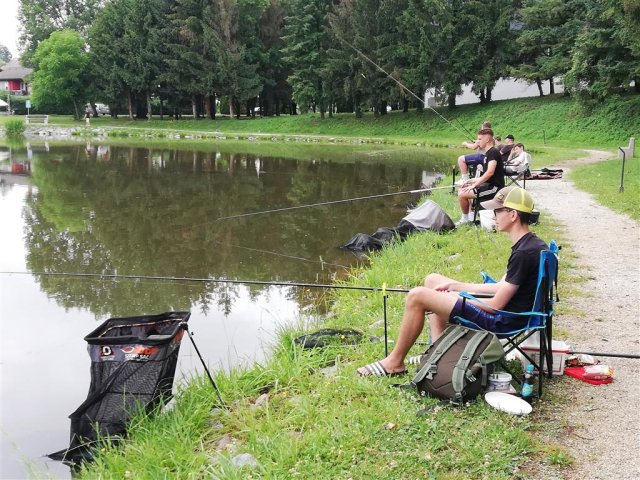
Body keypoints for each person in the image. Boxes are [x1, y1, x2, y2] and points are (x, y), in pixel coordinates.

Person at [357, 186, 547, 377]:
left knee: (417, 296)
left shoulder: (523, 253)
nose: (493, 215)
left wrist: (460, 298)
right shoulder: (532, 244)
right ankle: (437, 352)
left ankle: (394, 363)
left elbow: (496, 305)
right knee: (433, 280)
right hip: (510, 313)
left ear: (513, 215)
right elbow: (500, 287)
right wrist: (455, 286)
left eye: (497, 211)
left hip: (501, 321)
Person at [455, 127, 505, 226]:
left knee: (462, 194)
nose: (478, 141)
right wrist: (470, 181)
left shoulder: (493, 152)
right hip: (488, 185)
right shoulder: (488, 153)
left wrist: (475, 185)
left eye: (480, 139)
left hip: (494, 188)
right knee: (463, 189)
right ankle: (470, 215)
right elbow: (487, 175)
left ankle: (465, 219)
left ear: (487, 139)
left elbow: (490, 172)